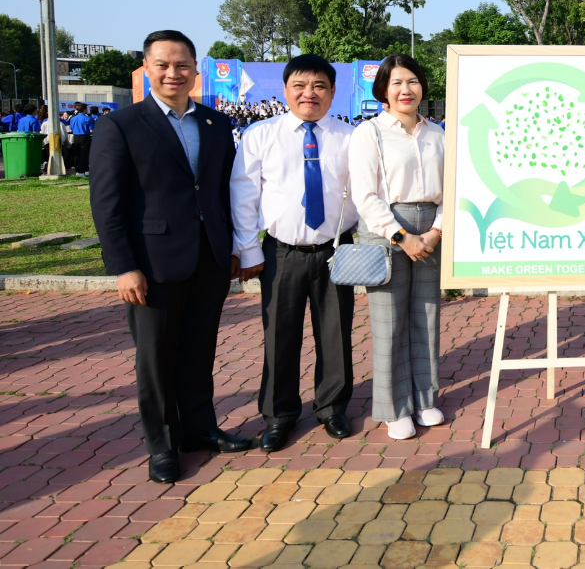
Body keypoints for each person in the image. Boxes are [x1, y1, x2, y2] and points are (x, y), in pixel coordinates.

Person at [90, 30, 252, 483]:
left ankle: (200, 430)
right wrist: (124, 266)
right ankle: (162, 445)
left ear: (196, 71)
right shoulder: (120, 125)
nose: (173, 73)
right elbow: (107, 204)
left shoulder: (216, 124)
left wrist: (235, 247)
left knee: (200, 350)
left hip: (210, 259)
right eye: (162, 64)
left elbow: (222, 191)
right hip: (152, 264)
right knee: (155, 357)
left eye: (182, 65)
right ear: (147, 69)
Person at [231, 54, 359, 452]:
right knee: (279, 334)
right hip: (280, 252)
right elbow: (244, 194)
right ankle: (278, 414)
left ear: (333, 92)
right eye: (300, 86)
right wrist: (248, 249)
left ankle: (332, 406)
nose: (310, 94)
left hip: (336, 251)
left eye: (319, 86)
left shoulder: (350, 137)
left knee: (336, 333)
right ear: (285, 90)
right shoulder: (260, 135)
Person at [349, 54, 445, 440]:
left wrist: (435, 233)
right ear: (383, 91)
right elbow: (365, 195)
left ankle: (424, 399)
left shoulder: (438, 133)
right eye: (397, 83)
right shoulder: (369, 132)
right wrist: (402, 237)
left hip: (431, 230)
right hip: (386, 228)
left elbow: (452, 192)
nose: (406, 90)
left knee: (426, 315)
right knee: (389, 321)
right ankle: (393, 408)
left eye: (413, 82)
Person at [68, 102, 95, 175]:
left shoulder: (73, 118)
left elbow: (71, 129)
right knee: (84, 154)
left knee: (77, 154)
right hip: (85, 137)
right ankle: (81, 170)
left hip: (75, 137)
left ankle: (79, 169)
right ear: (84, 109)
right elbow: (91, 130)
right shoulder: (88, 119)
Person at [38, 106, 66, 173]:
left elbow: (42, 133)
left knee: (47, 154)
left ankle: (46, 164)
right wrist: (64, 142)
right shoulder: (61, 123)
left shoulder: (44, 123)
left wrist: (43, 142)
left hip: (47, 142)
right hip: (58, 143)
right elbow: (64, 135)